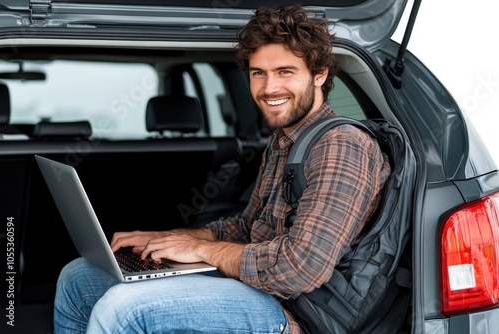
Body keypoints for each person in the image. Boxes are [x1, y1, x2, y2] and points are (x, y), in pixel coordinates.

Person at [53, 4, 391, 334]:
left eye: (285, 72)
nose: (269, 88)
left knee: (123, 309)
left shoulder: (342, 145)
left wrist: (199, 250)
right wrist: (172, 239)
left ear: (320, 75)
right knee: (79, 277)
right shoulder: (284, 141)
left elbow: (300, 268)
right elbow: (249, 227)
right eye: (259, 73)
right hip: (258, 286)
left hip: (299, 311)